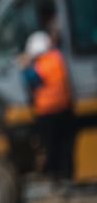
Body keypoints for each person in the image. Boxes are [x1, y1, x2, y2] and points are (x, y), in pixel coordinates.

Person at [22, 30, 75, 183]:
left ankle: (55, 177)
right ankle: (67, 176)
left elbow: (33, 80)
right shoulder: (58, 57)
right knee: (65, 146)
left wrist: (25, 67)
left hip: (47, 112)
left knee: (51, 147)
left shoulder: (40, 64)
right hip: (64, 108)